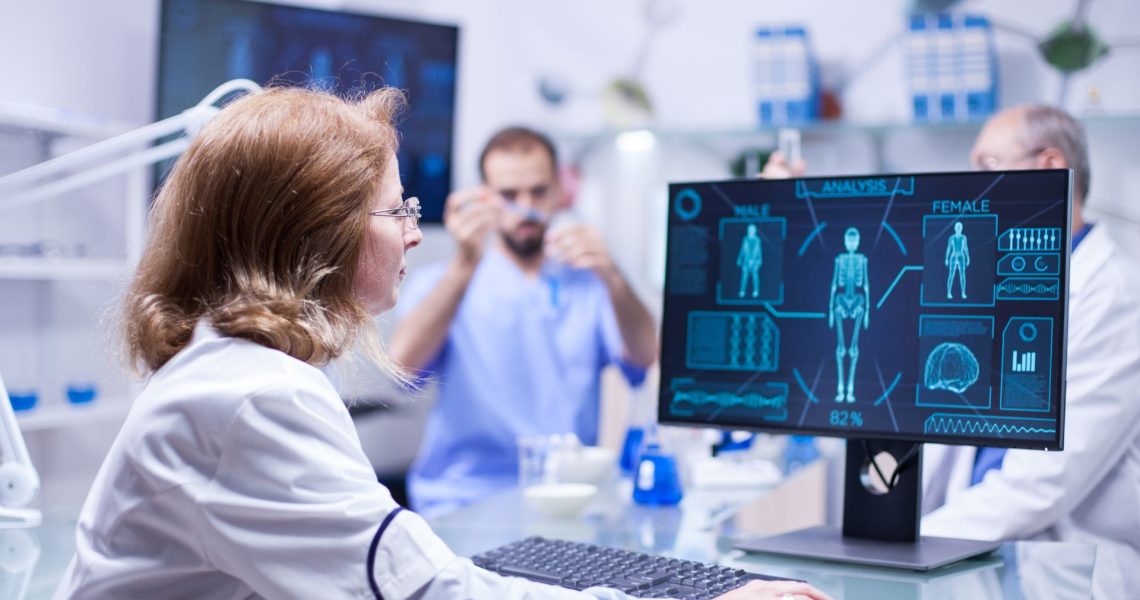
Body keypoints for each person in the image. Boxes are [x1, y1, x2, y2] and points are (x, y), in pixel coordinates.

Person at [54, 87, 828, 600]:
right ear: (318, 232)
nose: (414, 234)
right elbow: (434, 593)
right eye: (397, 211)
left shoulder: (238, 373)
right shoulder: (255, 395)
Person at [920, 105, 1140, 599]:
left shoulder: (1116, 297)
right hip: (971, 554)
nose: (973, 185)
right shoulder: (1011, 285)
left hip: (1065, 570)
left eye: (988, 165)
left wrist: (918, 542)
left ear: (1049, 169)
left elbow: (1047, 479)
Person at [389, 127, 659, 517]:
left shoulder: (589, 280)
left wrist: (613, 276)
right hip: (463, 499)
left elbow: (644, 355)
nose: (526, 207)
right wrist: (466, 261)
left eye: (538, 191)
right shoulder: (444, 282)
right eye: (509, 195)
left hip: (565, 498)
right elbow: (402, 369)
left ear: (559, 191)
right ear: (485, 197)